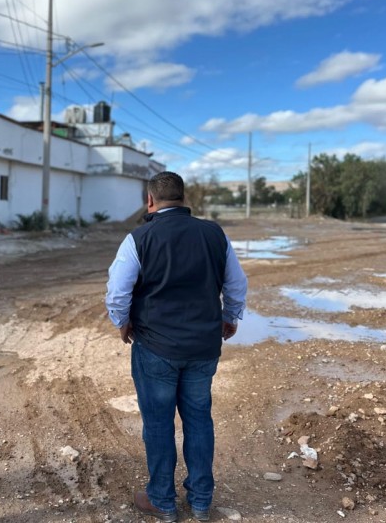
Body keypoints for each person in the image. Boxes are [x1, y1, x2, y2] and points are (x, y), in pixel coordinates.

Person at [105, 171, 247, 522]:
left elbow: (118, 292)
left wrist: (122, 323)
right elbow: (236, 283)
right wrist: (230, 317)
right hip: (203, 347)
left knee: (158, 424)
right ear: (184, 198)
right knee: (199, 419)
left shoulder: (139, 238)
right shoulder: (214, 234)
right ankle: (201, 501)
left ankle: (162, 501)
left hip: (155, 347)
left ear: (150, 201)